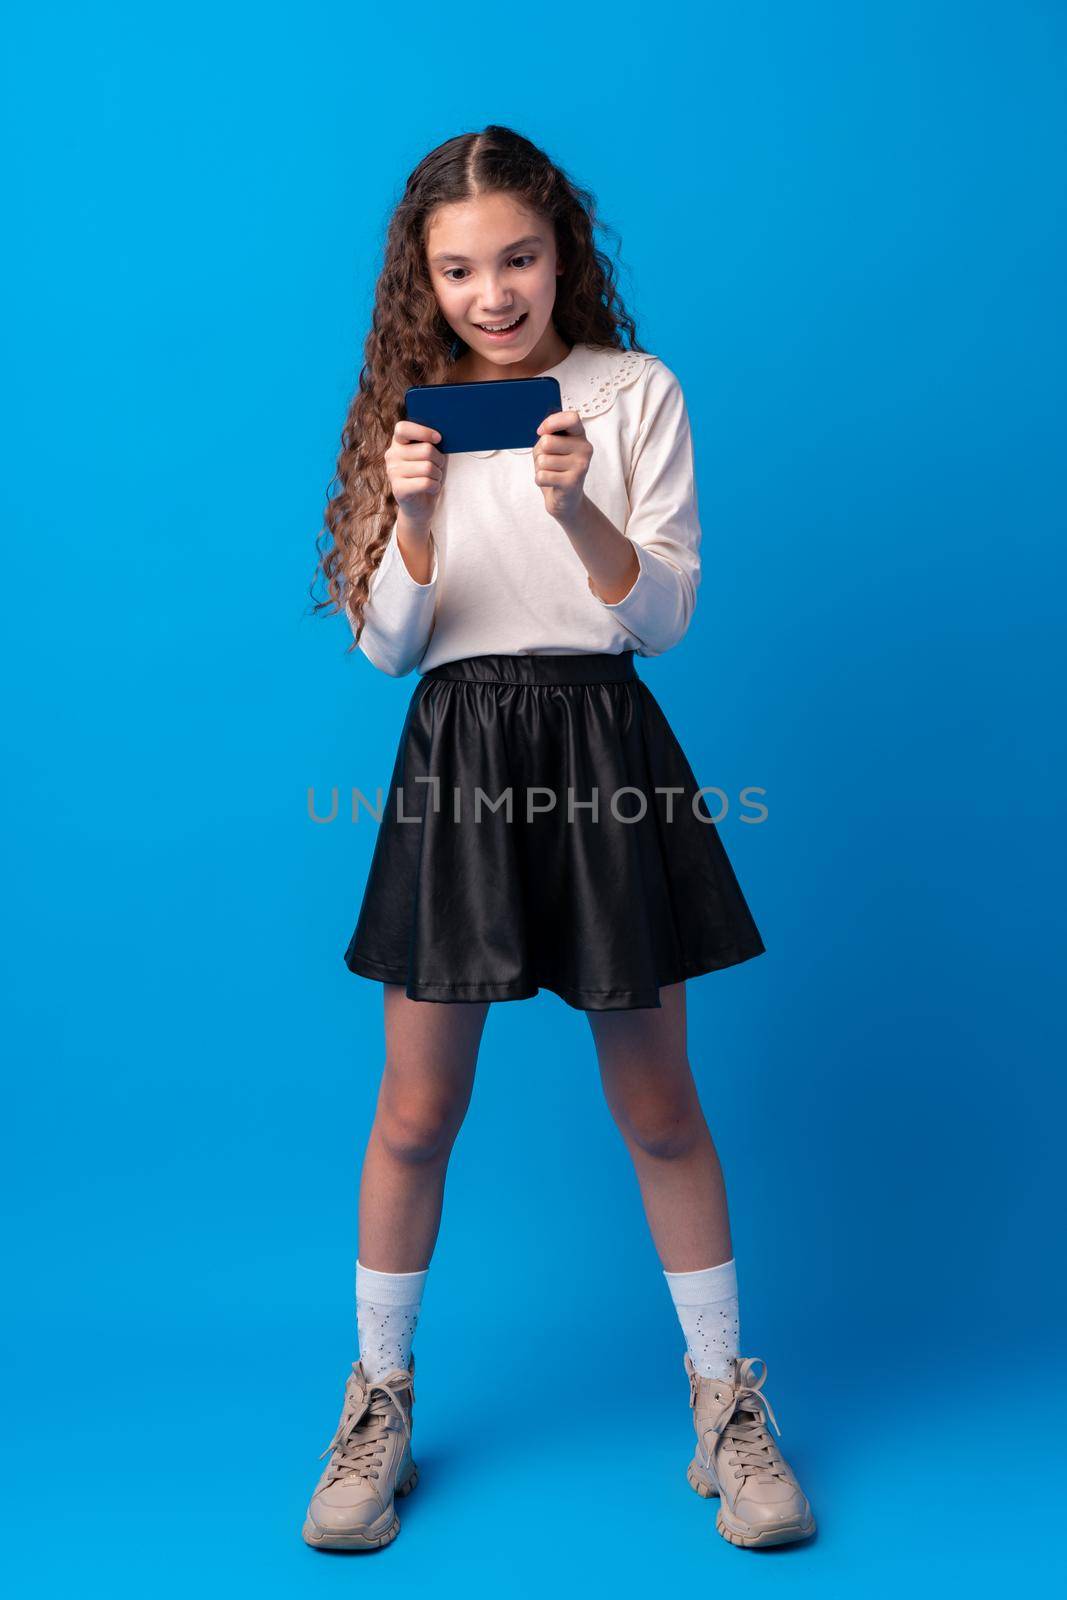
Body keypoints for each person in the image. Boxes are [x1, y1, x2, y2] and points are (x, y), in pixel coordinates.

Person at [304, 124, 816, 1554]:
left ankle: (727, 1401)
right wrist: (410, 518)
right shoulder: (404, 415)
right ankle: (378, 1400)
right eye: (460, 268)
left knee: (659, 1104)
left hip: (602, 746)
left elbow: (658, 619)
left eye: (518, 256)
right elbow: (388, 653)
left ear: (560, 252)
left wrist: (575, 501)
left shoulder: (631, 393)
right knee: (415, 1113)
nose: (493, 290)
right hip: (459, 754)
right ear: (426, 276)